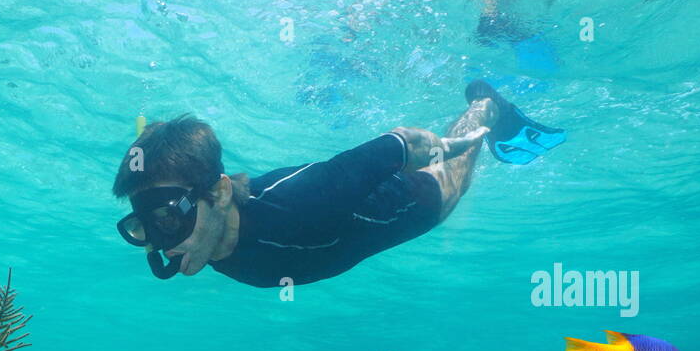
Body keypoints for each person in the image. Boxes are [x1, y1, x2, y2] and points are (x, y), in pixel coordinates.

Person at [113, 81, 564, 285]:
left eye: (168, 219)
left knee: (456, 179)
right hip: (340, 227)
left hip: (408, 203)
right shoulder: (201, 241)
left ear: (220, 192)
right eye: (140, 228)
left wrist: (456, 144)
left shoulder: (300, 200)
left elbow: (399, 144)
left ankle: (487, 106)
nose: (157, 244)